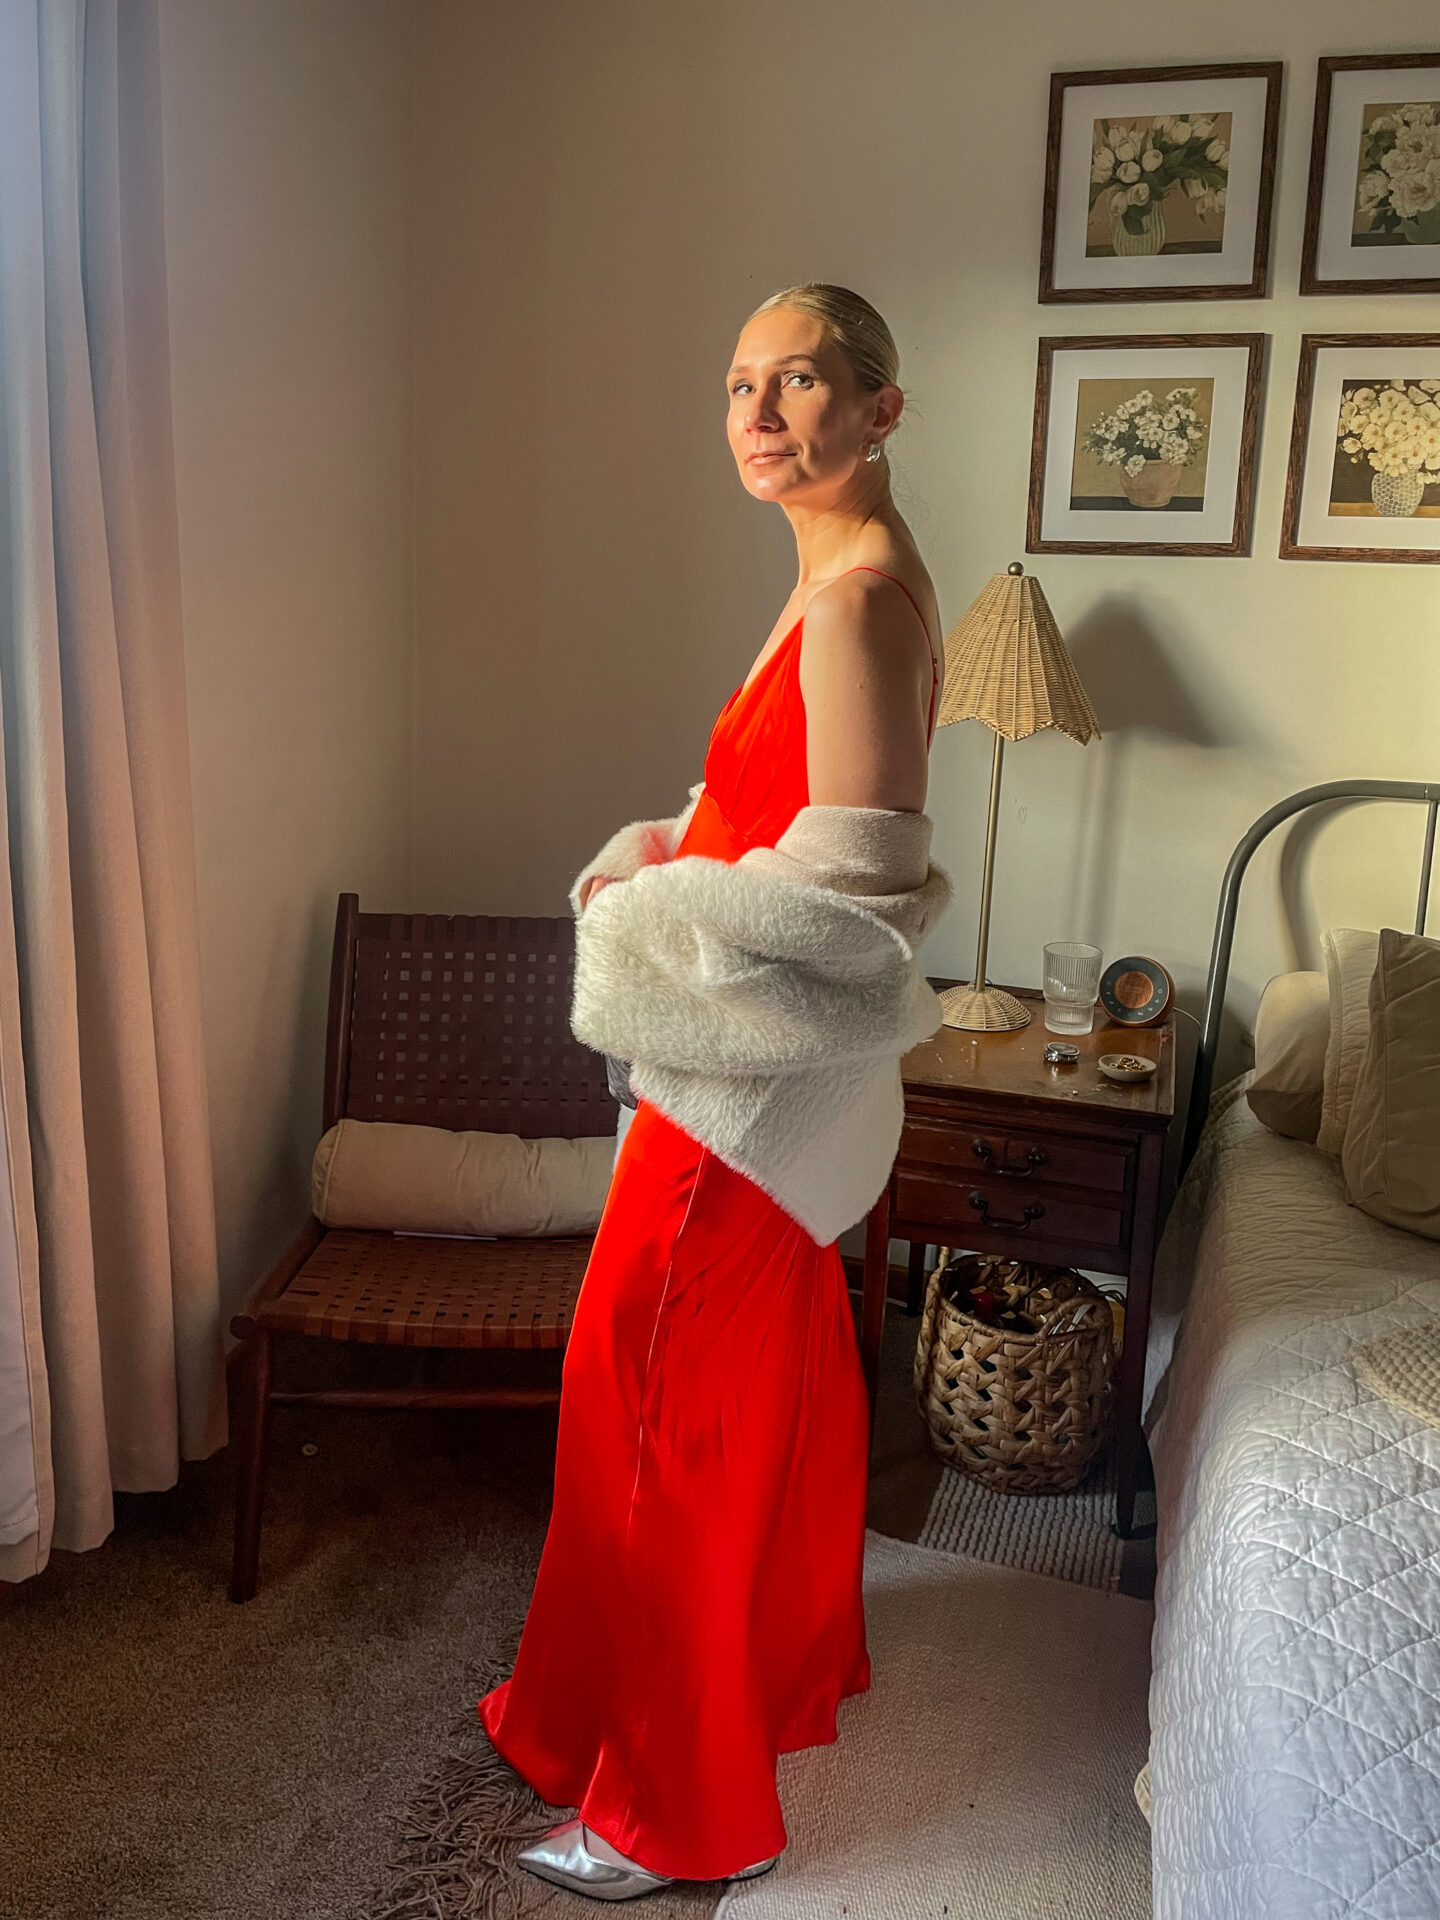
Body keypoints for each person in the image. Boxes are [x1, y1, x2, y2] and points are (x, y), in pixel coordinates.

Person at [478, 283, 944, 1901]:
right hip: (752, 1084)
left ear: (882, 409)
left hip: (747, 1104)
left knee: (651, 1402)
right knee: (769, 1389)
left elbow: (856, 905)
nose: (757, 413)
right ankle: (759, 1680)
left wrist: (644, 915)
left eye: (799, 381)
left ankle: (663, 1806)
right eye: (739, 383)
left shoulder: (858, 603)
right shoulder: (821, 579)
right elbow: (758, 819)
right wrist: (661, 847)